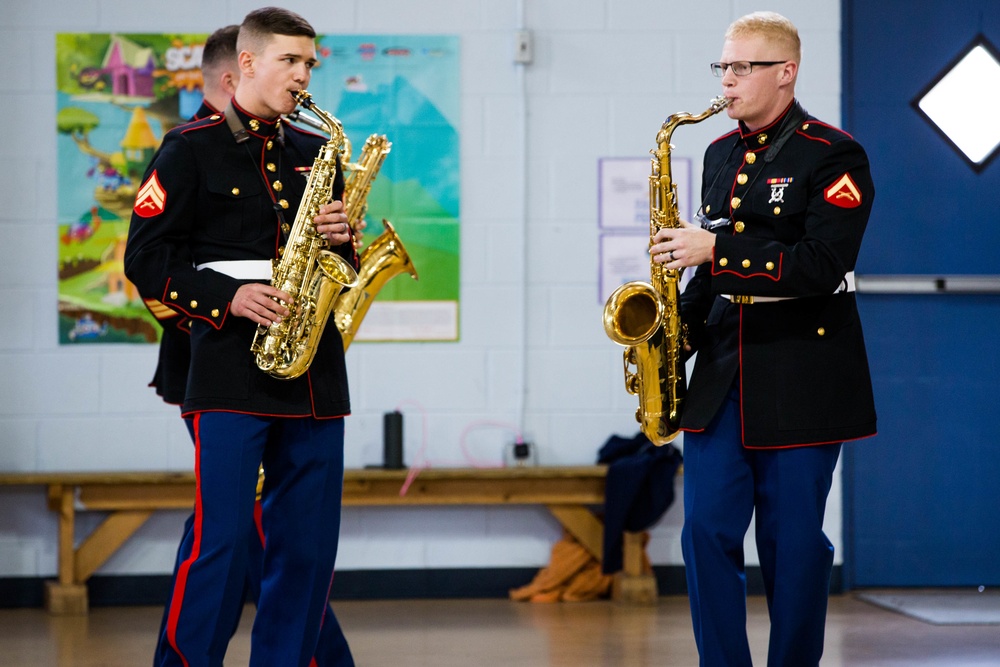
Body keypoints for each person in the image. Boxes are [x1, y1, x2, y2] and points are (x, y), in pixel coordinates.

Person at [126, 7, 357, 666]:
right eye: (291, 60)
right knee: (223, 545)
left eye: (310, 62)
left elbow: (342, 268)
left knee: (307, 550)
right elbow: (146, 259)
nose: (304, 74)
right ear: (247, 64)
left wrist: (347, 244)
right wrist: (228, 296)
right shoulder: (189, 147)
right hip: (228, 368)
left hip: (315, 374)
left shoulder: (318, 152)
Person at [648, 11, 877, 667]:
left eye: (742, 67)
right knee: (705, 534)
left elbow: (819, 264)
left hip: (803, 371)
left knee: (794, 546)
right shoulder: (720, 153)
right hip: (723, 374)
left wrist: (714, 248)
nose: (728, 80)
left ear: (786, 72)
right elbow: (705, 276)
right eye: (722, 66)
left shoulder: (835, 155)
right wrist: (670, 336)